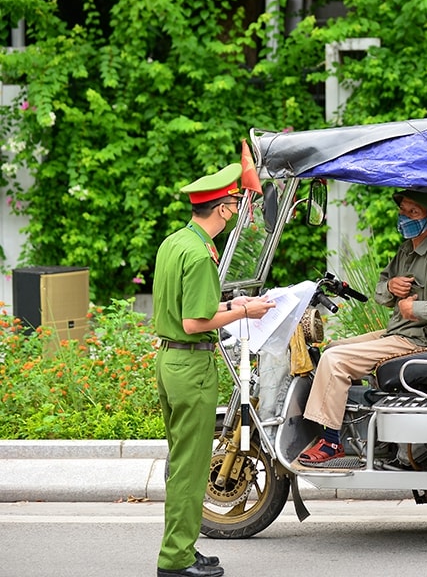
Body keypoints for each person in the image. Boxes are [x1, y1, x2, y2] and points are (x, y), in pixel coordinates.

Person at [153, 163, 276, 577]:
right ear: (223, 209)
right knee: (191, 468)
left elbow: (191, 309)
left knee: (183, 464)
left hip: (170, 363)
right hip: (191, 365)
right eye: (237, 206)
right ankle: (175, 560)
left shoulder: (175, 243)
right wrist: (245, 308)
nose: (239, 212)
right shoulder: (201, 254)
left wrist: (231, 307)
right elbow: (194, 323)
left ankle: (182, 547)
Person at [299, 189, 427, 464]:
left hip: (418, 340)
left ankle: (331, 442)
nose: (405, 218)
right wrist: (390, 287)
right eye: (403, 212)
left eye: (413, 213)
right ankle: (357, 429)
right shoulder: (407, 248)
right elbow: (380, 293)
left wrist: (416, 308)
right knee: (332, 348)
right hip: (397, 333)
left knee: (335, 360)